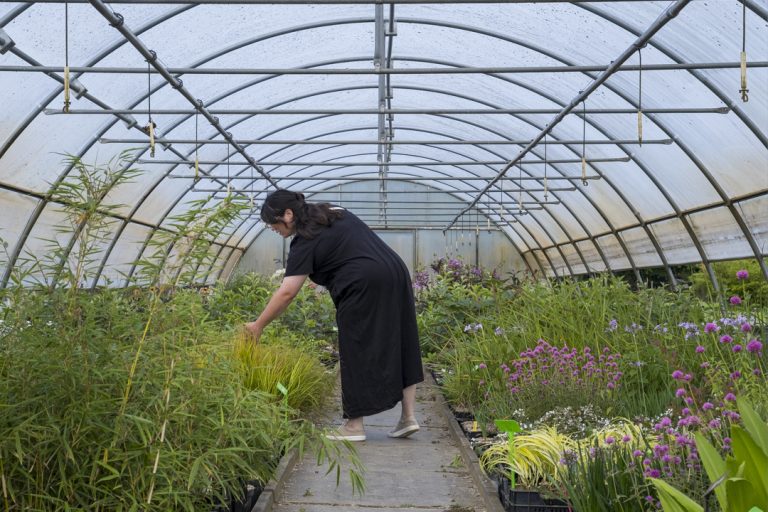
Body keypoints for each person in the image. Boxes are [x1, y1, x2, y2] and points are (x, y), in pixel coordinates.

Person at [244, 189, 424, 441]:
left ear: (288, 214)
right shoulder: (335, 212)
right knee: (402, 339)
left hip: (361, 282)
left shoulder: (304, 241)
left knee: (355, 347)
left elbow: (287, 292)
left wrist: (258, 325)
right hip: (395, 271)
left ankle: (354, 426)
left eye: (272, 222)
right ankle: (408, 417)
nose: (272, 228)